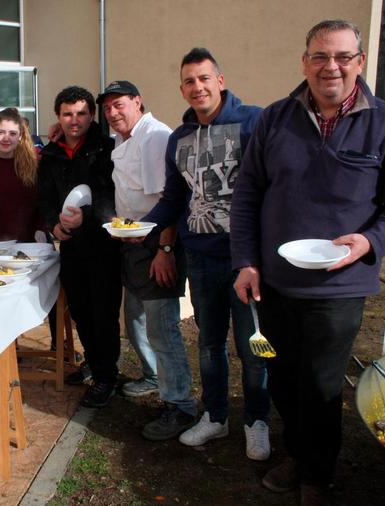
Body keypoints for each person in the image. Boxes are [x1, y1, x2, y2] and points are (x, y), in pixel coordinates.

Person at [230, 20, 385, 504]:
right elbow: (248, 195)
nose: (330, 67)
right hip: (274, 281)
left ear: (359, 63)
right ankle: (298, 452)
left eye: (342, 57)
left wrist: (369, 240)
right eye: (319, 56)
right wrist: (246, 262)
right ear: (304, 62)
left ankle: (317, 471)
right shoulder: (276, 119)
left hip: (340, 286)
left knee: (320, 383)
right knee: (281, 374)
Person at [143, 48, 271, 460]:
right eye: (189, 81)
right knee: (210, 343)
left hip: (245, 260)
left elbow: (274, 185)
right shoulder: (179, 139)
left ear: (220, 80)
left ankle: (257, 420)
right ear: (182, 89)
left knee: (252, 343)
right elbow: (175, 198)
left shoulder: (253, 122)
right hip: (199, 257)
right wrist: (142, 228)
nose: (197, 87)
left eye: (204, 78)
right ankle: (216, 416)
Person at [96, 80, 195, 440]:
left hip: (156, 244)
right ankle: (154, 377)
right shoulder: (126, 140)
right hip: (131, 242)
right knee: (134, 319)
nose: (112, 113)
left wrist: (164, 250)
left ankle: (181, 405)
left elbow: (171, 200)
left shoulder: (155, 137)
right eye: (107, 108)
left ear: (138, 101)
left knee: (162, 328)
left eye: (119, 104)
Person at [38, 85, 121, 408]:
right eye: (67, 114)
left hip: (103, 245)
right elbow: (45, 197)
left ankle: (106, 376)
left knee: (103, 313)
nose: (75, 120)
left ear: (92, 115)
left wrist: (84, 219)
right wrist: (54, 226)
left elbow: (108, 195)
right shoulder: (52, 153)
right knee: (82, 313)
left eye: (82, 113)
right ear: (58, 116)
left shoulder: (107, 148)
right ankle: (94, 363)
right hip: (70, 246)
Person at [0, 107, 42, 242]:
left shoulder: (33, 161)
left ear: (20, 136)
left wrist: (41, 230)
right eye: (0, 132)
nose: (6, 138)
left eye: (13, 133)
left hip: (32, 242)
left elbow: (42, 201)